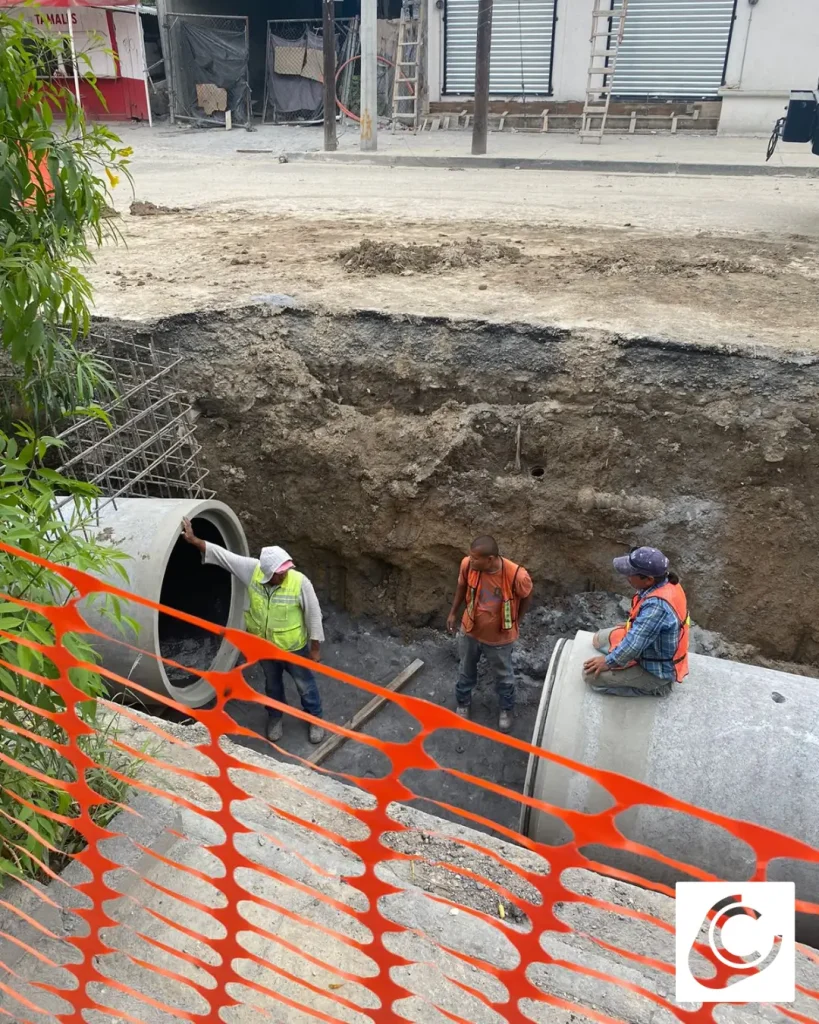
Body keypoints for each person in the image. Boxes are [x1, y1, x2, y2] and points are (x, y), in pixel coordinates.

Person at [181, 518, 325, 744]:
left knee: (304, 685)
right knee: (272, 685)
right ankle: (275, 717)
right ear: (267, 573)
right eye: (279, 572)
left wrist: (315, 649)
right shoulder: (252, 571)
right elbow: (223, 556)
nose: (284, 574)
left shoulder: (299, 583)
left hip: (292, 649)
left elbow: (314, 615)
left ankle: (315, 718)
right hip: (264, 648)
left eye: (286, 570)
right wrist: (193, 540)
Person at [446, 535, 533, 733]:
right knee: (465, 669)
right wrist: (453, 613)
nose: (471, 560)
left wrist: (517, 621)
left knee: (504, 676)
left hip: (500, 638)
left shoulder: (516, 576)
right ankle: (463, 702)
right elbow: (461, 587)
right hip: (470, 630)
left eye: (475, 558)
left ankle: (506, 709)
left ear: (490, 559)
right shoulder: (468, 565)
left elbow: (527, 596)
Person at [583, 546, 690, 697]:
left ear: (648, 579)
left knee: (590, 677)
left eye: (631, 573)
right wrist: (635, 626)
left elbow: (633, 646)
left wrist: (607, 662)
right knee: (598, 639)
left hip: (656, 669)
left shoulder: (657, 608)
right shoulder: (665, 582)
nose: (627, 576)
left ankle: (656, 687)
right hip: (651, 644)